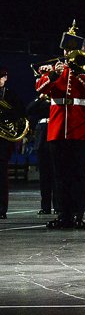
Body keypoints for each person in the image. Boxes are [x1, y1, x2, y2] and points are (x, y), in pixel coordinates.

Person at [34, 24, 85, 229]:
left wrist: (82, 71)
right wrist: (53, 75)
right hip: (57, 129)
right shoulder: (54, 69)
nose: (69, 53)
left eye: (73, 50)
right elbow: (41, 88)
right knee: (60, 175)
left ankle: (77, 215)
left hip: (80, 128)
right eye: (67, 50)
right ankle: (62, 215)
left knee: (78, 175)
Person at [0, 67, 26, 219]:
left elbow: (21, 112)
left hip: (3, 139)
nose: (1, 80)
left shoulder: (10, 95)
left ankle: (2, 209)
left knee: (2, 176)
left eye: (2, 77)